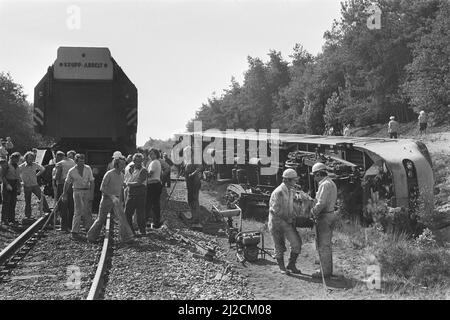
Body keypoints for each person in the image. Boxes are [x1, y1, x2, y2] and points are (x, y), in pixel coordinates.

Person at [87, 156, 134, 244]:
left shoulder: (122, 175)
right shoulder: (109, 174)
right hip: (107, 199)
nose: (124, 165)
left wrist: (126, 185)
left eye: (124, 164)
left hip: (117, 199)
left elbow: (121, 186)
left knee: (122, 218)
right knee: (101, 219)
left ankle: (127, 238)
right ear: (116, 164)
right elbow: (102, 188)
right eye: (122, 164)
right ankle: (91, 236)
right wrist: (111, 196)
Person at [268, 168, 303, 275]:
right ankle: (282, 267)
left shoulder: (290, 191)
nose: (295, 182)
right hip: (277, 222)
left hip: (287, 222)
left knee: (296, 243)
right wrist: (287, 218)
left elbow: (291, 206)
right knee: (279, 245)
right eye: (294, 180)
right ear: (287, 180)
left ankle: (291, 265)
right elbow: (275, 210)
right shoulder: (279, 192)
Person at [310, 162, 337, 279]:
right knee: (326, 244)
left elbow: (321, 203)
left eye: (315, 175)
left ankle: (324, 272)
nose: (314, 178)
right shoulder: (330, 183)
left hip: (324, 217)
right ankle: (326, 269)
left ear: (319, 174)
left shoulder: (324, 185)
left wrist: (312, 212)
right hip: (330, 215)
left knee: (323, 245)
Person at [62, 154, 94, 240]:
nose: (82, 163)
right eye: (80, 161)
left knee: (87, 210)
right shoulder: (71, 171)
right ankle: (75, 231)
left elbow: (92, 181)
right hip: (77, 191)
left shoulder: (88, 168)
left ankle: (89, 229)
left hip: (86, 190)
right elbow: (67, 182)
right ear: (76, 162)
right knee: (78, 211)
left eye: (83, 161)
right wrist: (64, 193)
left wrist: (91, 194)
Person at [19, 151, 51, 219]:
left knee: (42, 197)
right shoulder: (22, 166)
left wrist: (37, 175)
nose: (30, 160)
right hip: (27, 186)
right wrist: (21, 181)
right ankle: (28, 215)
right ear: (26, 158)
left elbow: (43, 169)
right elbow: (17, 173)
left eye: (31, 158)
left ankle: (47, 210)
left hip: (35, 185)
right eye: (29, 158)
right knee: (28, 201)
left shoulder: (35, 165)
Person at [124, 153, 148, 236]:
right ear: (133, 161)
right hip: (132, 193)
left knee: (140, 213)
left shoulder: (144, 170)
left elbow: (139, 182)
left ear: (142, 161)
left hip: (140, 193)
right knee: (128, 213)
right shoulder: (131, 169)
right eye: (136, 161)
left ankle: (142, 231)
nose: (138, 163)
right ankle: (131, 231)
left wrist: (127, 184)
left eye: (140, 161)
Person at [55, 151, 76, 231]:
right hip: (72, 185)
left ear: (58, 157)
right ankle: (71, 225)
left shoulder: (60, 164)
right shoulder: (73, 162)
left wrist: (55, 178)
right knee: (71, 206)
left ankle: (64, 226)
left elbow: (57, 176)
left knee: (63, 206)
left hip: (62, 185)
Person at [183, 146, 204, 229]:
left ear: (191, 152)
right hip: (190, 183)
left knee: (195, 200)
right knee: (190, 199)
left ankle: (196, 219)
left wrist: (193, 173)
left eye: (187, 152)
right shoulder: (187, 160)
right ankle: (193, 216)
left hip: (194, 182)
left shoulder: (195, 159)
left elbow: (200, 167)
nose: (186, 154)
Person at [1, 152, 22, 225]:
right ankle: (4, 219)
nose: (17, 160)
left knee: (13, 202)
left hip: (15, 183)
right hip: (8, 183)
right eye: (15, 159)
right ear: (12, 158)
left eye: (18, 159)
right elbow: (2, 176)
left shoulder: (17, 166)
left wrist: (19, 187)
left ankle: (11, 218)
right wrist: (7, 185)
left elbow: (18, 178)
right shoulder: (7, 165)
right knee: (6, 202)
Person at [146, 148, 163, 229]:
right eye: (150, 153)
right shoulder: (156, 162)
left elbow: (150, 174)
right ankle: (156, 222)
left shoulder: (154, 162)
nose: (150, 155)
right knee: (155, 204)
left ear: (156, 154)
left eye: (152, 154)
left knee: (151, 204)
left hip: (153, 184)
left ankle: (154, 222)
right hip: (155, 184)